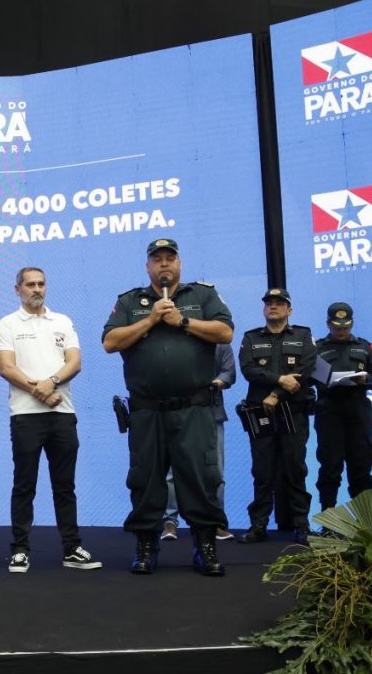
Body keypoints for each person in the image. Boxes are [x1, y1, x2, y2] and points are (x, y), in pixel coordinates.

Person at [102, 238, 232, 576]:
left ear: (179, 264)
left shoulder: (202, 296)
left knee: (201, 477)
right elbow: (110, 342)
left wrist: (183, 322)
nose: (164, 264)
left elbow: (225, 331)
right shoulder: (130, 301)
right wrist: (150, 320)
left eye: (169, 258)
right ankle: (147, 547)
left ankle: (205, 547)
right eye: (156, 259)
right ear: (147, 266)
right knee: (145, 479)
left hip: (193, 409)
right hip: (147, 412)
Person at [0, 267, 101, 573]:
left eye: (41, 284)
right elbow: (6, 368)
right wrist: (40, 392)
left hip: (62, 414)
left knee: (64, 486)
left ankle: (72, 548)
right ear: (18, 289)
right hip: (26, 416)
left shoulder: (63, 321)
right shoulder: (8, 323)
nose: (36, 289)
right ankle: (19, 550)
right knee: (24, 484)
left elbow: (75, 362)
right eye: (30, 285)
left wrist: (51, 382)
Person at [238, 288, 316, 544]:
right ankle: (258, 525)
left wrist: (276, 394)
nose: (273, 306)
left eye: (279, 303)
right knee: (262, 470)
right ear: (264, 309)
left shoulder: (303, 335)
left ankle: (301, 526)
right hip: (261, 413)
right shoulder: (251, 338)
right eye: (269, 303)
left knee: (295, 468)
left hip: (292, 412)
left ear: (289, 309)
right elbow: (248, 370)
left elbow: (305, 370)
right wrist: (280, 380)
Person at [161, 343, 236, 541]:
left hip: (212, 413)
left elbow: (229, 373)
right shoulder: (173, 342)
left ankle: (216, 522)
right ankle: (170, 522)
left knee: (215, 471)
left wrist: (215, 383)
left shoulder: (221, 344)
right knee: (171, 472)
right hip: (177, 414)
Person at [313, 302, 372, 511]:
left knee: (361, 466)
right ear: (328, 324)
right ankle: (328, 520)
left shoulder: (363, 346)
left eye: (345, 326)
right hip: (329, 410)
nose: (341, 330)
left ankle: (366, 523)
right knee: (330, 467)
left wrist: (366, 378)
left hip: (358, 409)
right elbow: (306, 378)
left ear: (351, 324)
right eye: (337, 326)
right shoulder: (317, 348)